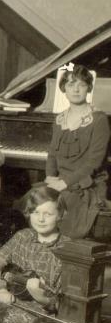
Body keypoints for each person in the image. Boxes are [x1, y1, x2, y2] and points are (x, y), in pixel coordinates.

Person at [0, 186, 66, 323]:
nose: (40, 219)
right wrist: (0, 289)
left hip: (39, 311)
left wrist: (40, 297)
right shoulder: (22, 236)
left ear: (60, 215)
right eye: (35, 212)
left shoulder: (67, 249)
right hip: (6, 298)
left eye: (48, 214)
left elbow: (62, 304)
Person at [44, 63, 109, 238]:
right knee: (34, 200)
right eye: (71, 84)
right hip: (60, 181)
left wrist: (65, 184)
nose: (76, 89)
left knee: (66, 204)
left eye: (81, 84)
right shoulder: (59, 119)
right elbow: (52, 154)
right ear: (64, 88)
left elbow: (94, 163)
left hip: (87, 185)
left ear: (89, 88)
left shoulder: (99, 119)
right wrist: (50, 176)